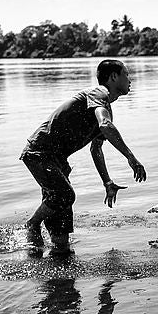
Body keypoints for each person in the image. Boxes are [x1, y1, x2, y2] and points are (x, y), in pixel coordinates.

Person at [20, 59, 147, 256]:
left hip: (57, 161)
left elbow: (96, 149)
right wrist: (131, 158)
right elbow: (105, 125)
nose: (130, 80)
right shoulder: (99, 93)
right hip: (40, 153)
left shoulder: (104, 108)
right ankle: (31, 225)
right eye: (126, 75)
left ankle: (57, 271)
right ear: (114, 77)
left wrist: (107, 182)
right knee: (65, 195)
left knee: (61, 234)